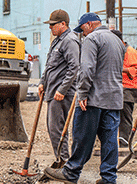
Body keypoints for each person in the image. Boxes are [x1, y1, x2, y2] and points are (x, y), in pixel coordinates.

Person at [44, 12, 126, 184]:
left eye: (83, 29)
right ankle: (108, 178)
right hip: (114, 99)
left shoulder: (92, 39)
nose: (83, 34)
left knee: (83, 136)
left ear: (89, 25)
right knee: (110, 139)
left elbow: (86, 69)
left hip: (94, 98)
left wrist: (82, 93)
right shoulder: (117, 40)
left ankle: (71, 172)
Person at [39, 9, 80, 165]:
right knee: (52, 128)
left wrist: (62, 90)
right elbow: (50, 64)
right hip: (52, 91)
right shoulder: (57, 40)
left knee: (57, 128)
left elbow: (74, 67)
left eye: (53, 25)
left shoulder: (70, 40)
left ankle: (63, 160)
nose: (50, 28)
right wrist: (42, 82)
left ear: (63, 24)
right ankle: (60, 158)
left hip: (62, 93)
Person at [120, 43, 137, 149]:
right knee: (124, 117)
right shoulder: (128, 51)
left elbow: (134, 71)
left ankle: (124, 143)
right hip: (127, 88)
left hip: (128, 88)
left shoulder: (129, 52)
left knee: (125, 117)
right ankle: (123, 141)